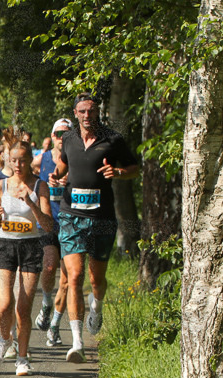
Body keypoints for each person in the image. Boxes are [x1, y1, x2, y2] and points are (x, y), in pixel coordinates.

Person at [49, 93, 139, 362]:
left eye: (91, 111)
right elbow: (62, 166)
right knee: (74, 277)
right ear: (75, 113)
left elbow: (135, 168)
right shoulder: (68, 139)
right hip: (71, 216)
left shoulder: (113, 139)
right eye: (82, 111)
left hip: (101, 218)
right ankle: (77, 342)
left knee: (96, 281)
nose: (87, 116)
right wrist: (56, 177)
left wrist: (120, 173)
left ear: (97, 112)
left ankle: (96, 308)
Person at [0, 142, 55, 376]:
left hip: (30, 247)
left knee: (23, 309)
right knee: (4, 305)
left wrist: (31, 203)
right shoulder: (0, 185)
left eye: (23, 160)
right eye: (13, 160)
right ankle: (4, 339)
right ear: (8, 160)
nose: (18, 165)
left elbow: (48, 225)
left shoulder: (39, 186)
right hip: (5, 245)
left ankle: (22, 358)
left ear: (30, 160)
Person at [34, 118, 74, 347]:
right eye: (58, 134)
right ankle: (47, 302)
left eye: (67, 134)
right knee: (49, 266)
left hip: (72, 222)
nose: (62, 138)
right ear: (52, 135)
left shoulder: (78, 158)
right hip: (49, 221)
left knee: (68, 278)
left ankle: (55, 326)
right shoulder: (43, 158)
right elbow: (21, 169)